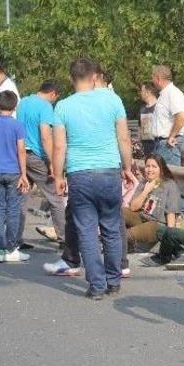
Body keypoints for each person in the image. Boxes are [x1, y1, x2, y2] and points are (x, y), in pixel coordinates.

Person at [51, 57, 135, 300]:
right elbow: (124, 138)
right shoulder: (113, 100)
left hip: (79, 174)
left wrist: (58, 175)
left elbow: (59, 147)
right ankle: (113, 280)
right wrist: (127, 167)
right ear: (95, 76)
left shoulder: (63, 107)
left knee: (86, 230)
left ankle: (96, 286)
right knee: (111, 227)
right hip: (109, 170)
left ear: (71, 78)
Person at [0, 91, 30, 263]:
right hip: (13, 172)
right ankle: (12, 249)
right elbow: (21, 151)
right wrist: (24, 174)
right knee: (13, 210)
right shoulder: (18, 126)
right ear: (15, 106)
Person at [18, 80, 64, 243]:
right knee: (55, 196)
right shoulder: (45, 106)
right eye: (55, 98)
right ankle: (64, 237)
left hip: (22, 153)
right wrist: (52, 161)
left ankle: (16, 239)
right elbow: (45, 135)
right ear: (53, 94)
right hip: (37, 156)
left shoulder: (23, 102)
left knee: (22, 197)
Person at [125, 153, 182, 265]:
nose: (149, 169)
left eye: (154, 167)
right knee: (120, 212)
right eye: (147, 166)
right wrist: (146, 190)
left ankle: (122, 244)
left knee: (127, 234)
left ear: (161, 169)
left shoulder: (170, 185)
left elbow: (171, 213)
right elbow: (133, 207)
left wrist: (170, 237)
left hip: (156, 224)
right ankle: (124, 245)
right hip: (142, 218)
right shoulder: (143, 183)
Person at [151, 65, 184, 166]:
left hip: (168, 145)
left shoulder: (173, 93)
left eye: (153, 78)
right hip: (161, 143)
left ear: (158, 78)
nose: (152, 81)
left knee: (169, 178)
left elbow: (181, 116)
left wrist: (172, 136)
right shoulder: (163, 95)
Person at [138, 81, 159, 157]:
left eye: (142, 91)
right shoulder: (142, 109)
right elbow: (140, 127)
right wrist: (138, 142)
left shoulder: (159, 107)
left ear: (148, 92)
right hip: (145, 147)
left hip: (157, 145)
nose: (141, 93)